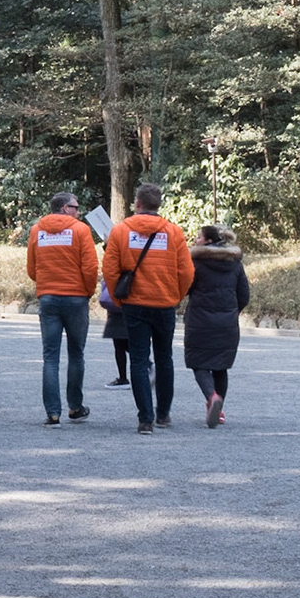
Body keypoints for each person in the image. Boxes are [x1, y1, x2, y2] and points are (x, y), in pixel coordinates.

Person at [101, 183, 194, 434]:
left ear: (137, 203)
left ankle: (145, 419)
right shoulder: (174, 232)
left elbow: (109, 270)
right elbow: (186, 271)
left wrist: (120, 300)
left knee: (139, 360)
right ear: (158, 204)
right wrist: (175, 295)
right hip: (164, 303)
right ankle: (163, 414)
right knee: (165, 358)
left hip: (134, 303)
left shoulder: (120, 231)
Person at [26, 192, 98, 425]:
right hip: (76, 298)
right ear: (65, 208)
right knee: (76, 353)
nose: (79, 211)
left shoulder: (37, 231)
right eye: (76, 207)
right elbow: (90, 267)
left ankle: (53, 412)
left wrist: (46, 285)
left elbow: (31, 268)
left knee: (50, 356)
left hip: (48, 298)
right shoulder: (80, 231)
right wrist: (86, 292)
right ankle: (75, 407)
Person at [184, 225, 250, 427]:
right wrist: (231, 312)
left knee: (199, 364)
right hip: (227, 323)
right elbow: (244, 296)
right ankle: (219, 411)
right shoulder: (235, 264)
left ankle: (212, 397)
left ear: (209, 242)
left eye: (198, 238)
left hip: (199, 321)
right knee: (221, 367)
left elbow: (186, 288)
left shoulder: (196, 263)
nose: (195, 240)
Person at [99, 277, 131, 388]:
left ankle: (123, 378)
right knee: (127, 342)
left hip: (118, 297)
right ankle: (148, 366)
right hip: (133, 300)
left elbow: (110, 271)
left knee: (119, 344)